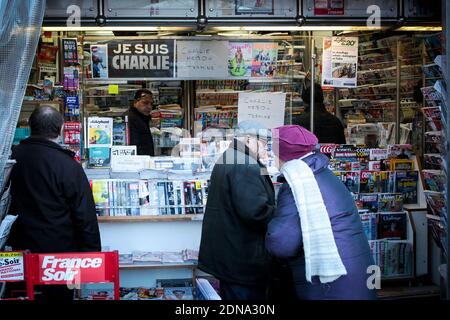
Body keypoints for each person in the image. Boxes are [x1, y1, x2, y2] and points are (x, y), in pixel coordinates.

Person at [266, 125, 377, 300]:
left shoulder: (298, 182)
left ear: (283, 154)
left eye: (273, 152)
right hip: (355, 270)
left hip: (332, 282)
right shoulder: (321, 172)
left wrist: (269, 223)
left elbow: (282, 243)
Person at [7, 106, 101, 300]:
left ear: (31, 127)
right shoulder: (68, 166)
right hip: (60, 260)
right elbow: (85, 216)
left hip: (17, 255)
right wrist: (91, 257)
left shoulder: (10, 159)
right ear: (60, 129)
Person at [198, 120, 275, 300]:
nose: (266, 148)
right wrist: (278, 212)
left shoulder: (230, 156)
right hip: (243, 258)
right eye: (263, 142)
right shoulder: (246, 164)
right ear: (248, 140)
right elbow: (255, 212)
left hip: (231, 253)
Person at [128, 89, 155, 156]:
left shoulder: (143, 118)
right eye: (145, 103)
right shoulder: (131, 119)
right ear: (135, 102)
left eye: (151, 104)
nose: (149, 107)